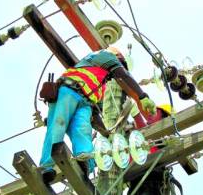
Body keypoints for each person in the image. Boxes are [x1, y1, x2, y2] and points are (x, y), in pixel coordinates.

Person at [39, 47, 157, 183]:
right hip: (68, 90)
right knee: (58, 124)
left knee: (82, 130)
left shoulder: (101, 85)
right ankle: (47, 166)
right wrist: (142, 96)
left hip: (85, 104)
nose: (117, 72)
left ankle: (85, 161)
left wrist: (107, 134)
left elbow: (94, 117)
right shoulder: (103, 55)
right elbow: (122, 74)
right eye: (120, 64)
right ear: (117, 57)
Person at [122, 104, 172, 195]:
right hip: (136, 182)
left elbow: (145, 131)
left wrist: (135, 114)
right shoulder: (135, 137)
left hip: (151, 178)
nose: (149, 115)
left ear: (164, 118)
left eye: (154, 113)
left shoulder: (162, 134)